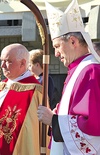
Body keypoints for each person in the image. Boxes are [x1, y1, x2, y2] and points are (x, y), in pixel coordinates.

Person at [37, 0, 100, 154]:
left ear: (73, 41)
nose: (56, 53)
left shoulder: (90, 70)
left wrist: (54, 120)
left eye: (57, 46)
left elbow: (92, 123)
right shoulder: (78, 69)